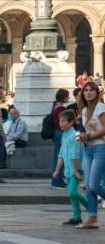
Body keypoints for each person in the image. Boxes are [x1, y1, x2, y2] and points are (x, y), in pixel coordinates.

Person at [54, 110, 89, 228]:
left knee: (73, 192)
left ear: (71, 122)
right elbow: (61, 154)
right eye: (60, 121)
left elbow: (75, 155)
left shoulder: (75, 135)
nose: (61, 123)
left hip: (76, 170)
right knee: (72, 194)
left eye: (63, 121)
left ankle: (90, 207)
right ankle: (77, 217)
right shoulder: (64, 135)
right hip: (68, 170)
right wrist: (57, 170)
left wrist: (75, 171)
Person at [77, 81, 105, 229]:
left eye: (91, 90)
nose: (88, 92)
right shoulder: (84, 110)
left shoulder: (100, 107)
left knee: (94, 184)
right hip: (87, 150)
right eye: (86, 90)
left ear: (96, 93)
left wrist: (88, 136)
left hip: (101, 148)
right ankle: (92, 218)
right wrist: (82, 136)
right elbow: (88, 130)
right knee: (88, 186)